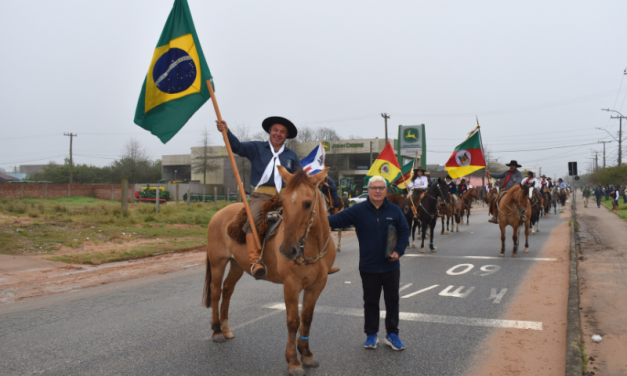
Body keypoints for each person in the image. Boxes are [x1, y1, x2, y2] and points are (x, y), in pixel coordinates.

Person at [327, 176, 410, 351]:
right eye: (374, 188)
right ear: (369, 190)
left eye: (381, 188)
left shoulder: (395, 211)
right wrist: (317, 216)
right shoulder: (358, 210)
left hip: (391, 265)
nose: (377, 191)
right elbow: (335, 220)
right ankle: (371, 335)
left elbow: (404, 232)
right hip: (369, 266)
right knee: (370, 301)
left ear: (386, 191)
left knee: (392, 300)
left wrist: (399, 251)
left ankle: (392, 334)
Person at [216, 117, 302, 279]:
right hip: (262, 195)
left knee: (303, 219)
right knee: (253, 220)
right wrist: (226, 132)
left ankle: (309, 257)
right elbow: (237, 147)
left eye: (283, 132)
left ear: (287, 135)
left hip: (285, 196)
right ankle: (256, 261)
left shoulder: (292, 155)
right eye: (275, 130)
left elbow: (299, 177)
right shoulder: (257, 147)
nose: (278, 134)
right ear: (270, 131)